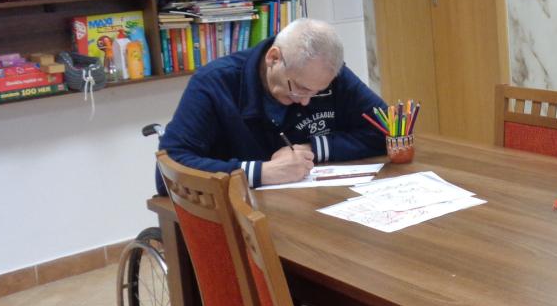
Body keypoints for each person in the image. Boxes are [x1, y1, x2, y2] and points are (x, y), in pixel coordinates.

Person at [160, 18, 387, 188]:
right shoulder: (214, 83)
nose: (306, 100)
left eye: (318, 92)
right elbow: (169, 168)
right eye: (300, 88)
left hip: (309, 208)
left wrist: (314, 149)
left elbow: (389, 129)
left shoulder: (326, 75)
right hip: (237, 217)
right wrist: (261, 172)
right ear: (274, 58)